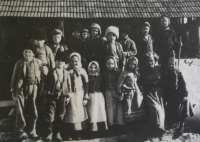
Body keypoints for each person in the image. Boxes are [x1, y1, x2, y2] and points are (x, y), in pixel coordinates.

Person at [10, 45, 44, 140]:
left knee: (33, 109)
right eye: (25, 52)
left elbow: (42, 76)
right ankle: (21, 131)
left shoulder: (38, 62)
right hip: (21, 88)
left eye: (29, 52)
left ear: (33, 54)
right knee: (20, 110)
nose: (27, 54)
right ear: (23, 53)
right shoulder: (19, 63)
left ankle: (32, 131)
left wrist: (41, 88)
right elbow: (14, 77)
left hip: (34, 88)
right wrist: (13, 90)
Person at [163, 51, 194, 133]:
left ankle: (182, 124)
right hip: (169, 94)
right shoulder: (165, 74)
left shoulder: (178, 73)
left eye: (173, 64)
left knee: (185, 101)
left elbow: (183, 84)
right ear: (167, 65)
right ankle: (173, 122)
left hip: (178, 94)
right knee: (175, 105)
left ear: (175, 65)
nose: (171, 66)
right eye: (169, 64)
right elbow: (164, 85)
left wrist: (185, 94)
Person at [44, 52, 71, 141]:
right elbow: (46, 84)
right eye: (58, 61)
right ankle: (49, 133)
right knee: (50, 115)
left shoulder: (66, 73)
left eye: (62, 61)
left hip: (62, 96)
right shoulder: (51, 72)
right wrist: (46, 94)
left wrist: (68, 96)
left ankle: (57, 132)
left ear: (65, 63)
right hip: (52, 96)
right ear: (55, 62)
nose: (60, 63)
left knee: (60, 115)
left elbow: (69, 85)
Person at [62, 52, 89, 140]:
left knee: (78, 114)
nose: (74, 63)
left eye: (76, 61)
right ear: (70, 61)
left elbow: (86, 84)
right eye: (72, 61)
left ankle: (78, 134)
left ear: (79, 61)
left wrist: (85, 96)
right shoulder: (66, 70)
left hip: (79, 94)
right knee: (70, 114)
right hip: (70, 94)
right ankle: (69, 133)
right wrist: (66, 95)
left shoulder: (82, 70)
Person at [141, 52, 165, 139]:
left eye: (151, 61)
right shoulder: (143, 70)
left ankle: (159, 129)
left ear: (155, 60)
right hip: (148, 93)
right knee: (155, 109)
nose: (150, 63)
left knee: (160, 111)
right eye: (147, 61)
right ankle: (154, 128)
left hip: (158, 93)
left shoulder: (160, 68)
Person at [117, 57, 146, 123]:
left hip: (136, 93)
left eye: (134, 64)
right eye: (130, 64)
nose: (132, 65)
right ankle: (129, 126)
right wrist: (120, 92)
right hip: (129, 93)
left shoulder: (136, 73)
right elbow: (119, 84)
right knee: (128, 109)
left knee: (137, 107)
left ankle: (136, 126)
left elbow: (138, 82)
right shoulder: (124, 72)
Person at [103, 56, 124, 136]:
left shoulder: (118, 73)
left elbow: (120, 83)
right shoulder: (104, 73)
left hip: (116, 92)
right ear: (106, 64)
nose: (110, 65)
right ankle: (111, 127)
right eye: (108, 64)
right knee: (110, 109)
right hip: (108, 92)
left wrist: (120, 92)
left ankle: (119, 127)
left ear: (115, 64)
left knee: (118, 110)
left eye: (112, 63)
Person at [87, 61, 108, 138]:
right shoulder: (88, 77)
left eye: (95, 67)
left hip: (99, 96)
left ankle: (102, 130)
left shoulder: (100, 77)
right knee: (92, 112)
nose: (93, 69)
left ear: (98, 68)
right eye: (91, 67)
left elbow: (103, 87)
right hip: (91, 96)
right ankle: (93, 131)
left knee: (100, 111)